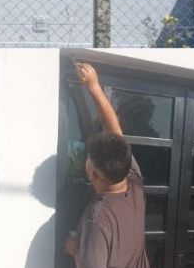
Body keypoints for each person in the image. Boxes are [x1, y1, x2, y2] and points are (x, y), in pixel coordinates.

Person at [64, 62, 149, 268]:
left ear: (92, 174)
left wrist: (76, 250)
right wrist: (94, 87)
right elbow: (115, 133)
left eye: (88, 159)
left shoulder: (97, 217)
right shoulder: (135, 185)